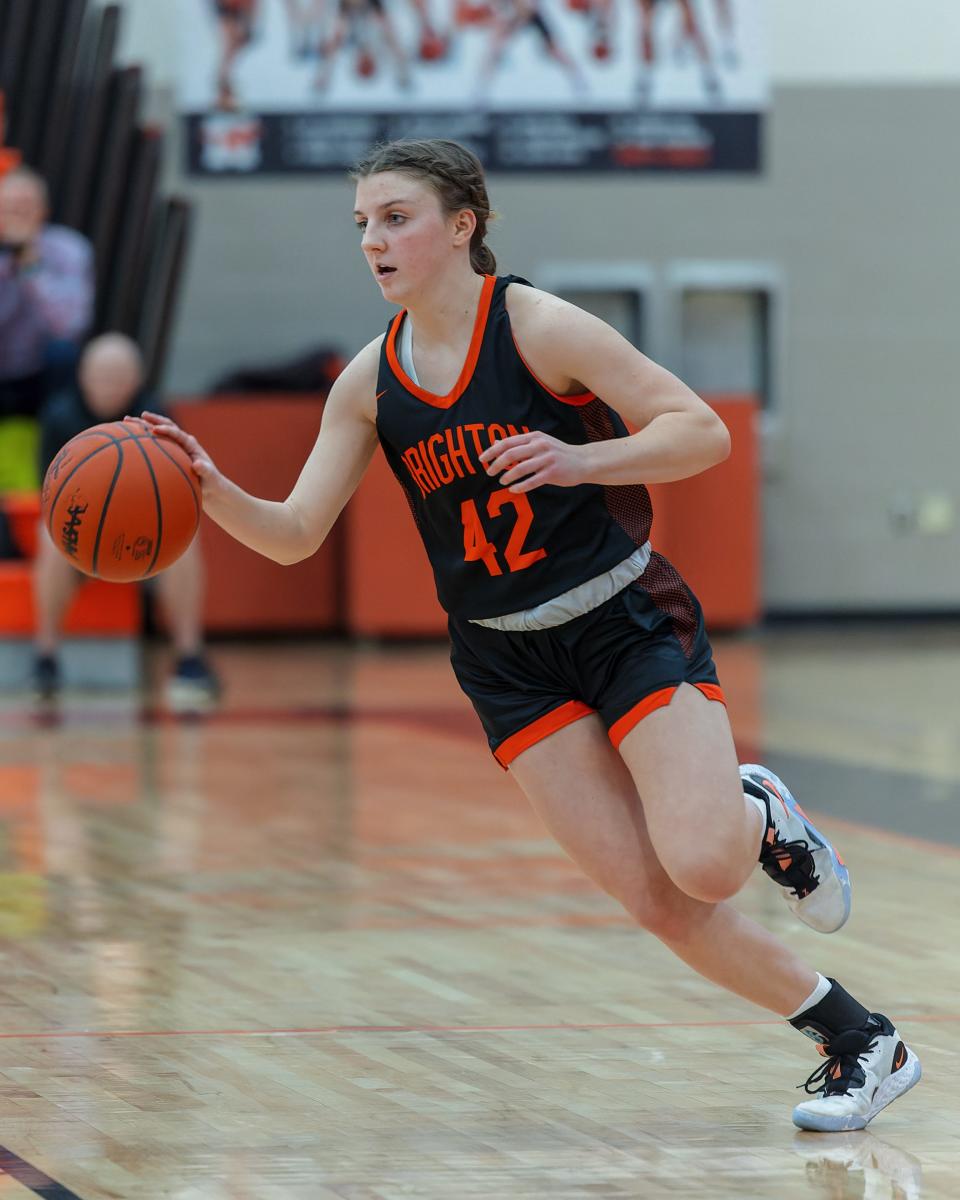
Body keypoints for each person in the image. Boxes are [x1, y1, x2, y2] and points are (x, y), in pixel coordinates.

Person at [137, 138, 921, 1132]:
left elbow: (701, 433)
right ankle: (862, 1042)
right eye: (363, 225)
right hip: (507, 661)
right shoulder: (368, 382)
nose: (374, 241)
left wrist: (579, 462)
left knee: (708, 865)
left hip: (622, 621)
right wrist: (211, 490)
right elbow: (292, 536)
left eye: (396, 218)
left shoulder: (539, 326)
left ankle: (758, 815)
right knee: (657, 901)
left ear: (463, 225)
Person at [35, 334, 220, 709]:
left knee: (188, 539)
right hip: (81, 532)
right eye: (101, 376)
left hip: (141, 533)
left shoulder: (155, 414)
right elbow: (48, 496)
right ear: (83, 377)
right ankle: (46, 657)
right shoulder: (58, 416)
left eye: (117, 377)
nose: (108, 385)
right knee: (47, 537)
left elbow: (182, 488)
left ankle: (189, 657)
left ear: (135, 380)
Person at [0, 167, 94, 494]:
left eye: (26, 207)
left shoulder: (69, 249)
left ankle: (67, 479)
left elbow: (69, 326)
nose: (18, 216)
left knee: (64, 353)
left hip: (42, 374)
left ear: (45, 211)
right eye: (10, 208)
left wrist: (31, 267)